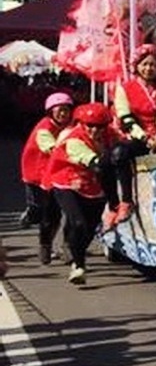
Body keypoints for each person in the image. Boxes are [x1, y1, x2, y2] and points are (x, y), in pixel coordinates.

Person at [43, 103, 116, 285]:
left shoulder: (111, 135)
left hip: (94, 187)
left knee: (91, 228)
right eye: (89, 125)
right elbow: (91, 160)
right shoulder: (73, 138)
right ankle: (78, 265)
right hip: (67, 182)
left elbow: (124, 144)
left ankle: (76, 250)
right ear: (81, 124)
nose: (94, 130)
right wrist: (102, 161)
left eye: (99, 126)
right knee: (78, 223)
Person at [111, 44, 156, 223]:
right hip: (135, 136)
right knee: (118, 154)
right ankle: (125, 201)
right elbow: (126, 116)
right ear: (137, 66)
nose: (148, 68)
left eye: (153, 64)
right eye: (144, 64)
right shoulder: (124, 88)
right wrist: (143, 136)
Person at [21, 92, 73, 265]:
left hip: (61, 173)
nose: (63, 114)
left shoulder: (71, 126)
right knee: (42, 213)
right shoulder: (44, 127)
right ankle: (34, 222)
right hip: (38, 175)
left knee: (59, 213)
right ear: (51, 112)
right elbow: (50, 147)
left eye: (66, 110)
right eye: (59, 110)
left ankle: (63, 246)